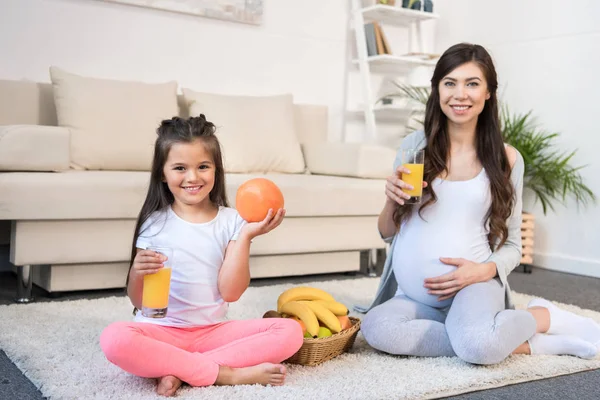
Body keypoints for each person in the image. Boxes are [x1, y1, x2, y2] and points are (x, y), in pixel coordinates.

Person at [358, 43, 600, 364]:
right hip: (416, 298)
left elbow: (513, 245)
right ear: (437, 90)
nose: (460, 94)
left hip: (475, 286)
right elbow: (387, 233)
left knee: (478, 350)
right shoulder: (414, 148)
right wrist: (391, 201)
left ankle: (544, 319)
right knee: (376, 329)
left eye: (472, 83)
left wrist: (481, 271)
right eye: (450, 83)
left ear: (488, 93)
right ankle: (495, 335)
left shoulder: (506, 159)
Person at [100, 115, 304, 397]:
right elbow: (140, 302)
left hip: (212, 332)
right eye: (180, 168)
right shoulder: (154, 223)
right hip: (161, 331)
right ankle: (224, 373)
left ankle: (179, 370)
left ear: (216, 170)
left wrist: (245, 236)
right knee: (115, 339)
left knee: (290, 332)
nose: (192, 177)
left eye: (203, 167)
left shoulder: (232, 221)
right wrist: (137, 271)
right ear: (162, 172)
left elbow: (230, 293)